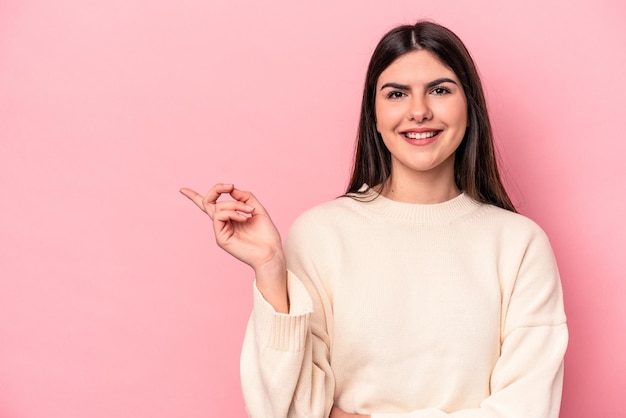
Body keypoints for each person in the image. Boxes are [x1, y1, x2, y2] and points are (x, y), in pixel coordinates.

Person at [181, 21, 568, 418]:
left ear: (469, 107)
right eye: (397, 94)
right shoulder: (320, 235)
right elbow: (281, 409)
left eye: (440, 90)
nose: (419, 111)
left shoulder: (520, 244)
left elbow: (527, 409)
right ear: (375, 114)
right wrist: (270, 270)